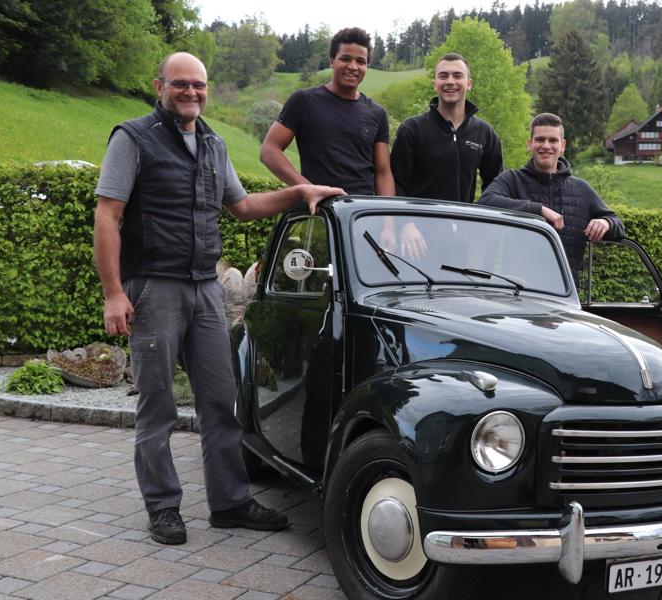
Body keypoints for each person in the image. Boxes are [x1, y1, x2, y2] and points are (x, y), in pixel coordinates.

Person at [93, 52, 344, 546]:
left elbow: (244, 206)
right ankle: (163, 506)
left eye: (199, 85)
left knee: (222, 401)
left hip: (205, 287)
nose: (191, 93)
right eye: (181, 84)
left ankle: (229, 502)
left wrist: (299, 192)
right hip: (154, 285)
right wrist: (114, 293)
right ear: (159, 85)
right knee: (158, 404)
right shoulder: (132, 138)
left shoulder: (213, 143)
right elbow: (107, 215)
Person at [479, 112, 624, 287]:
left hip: (566, 298)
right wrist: (538, 210)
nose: (546, 146)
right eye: (540, 139)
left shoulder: (582, 189)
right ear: (529, 144)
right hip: (517, 294)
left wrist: (606, 223)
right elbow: (486, 202)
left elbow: (618, 225)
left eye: (553, 140)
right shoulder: (511, 180)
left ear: (562, 145)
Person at [260, 27, 393, 197]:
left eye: (360, 61)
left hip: (362, 213)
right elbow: (269, 150)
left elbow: (383, 173)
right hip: (319, 213)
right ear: (332, 61)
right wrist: (309, 189)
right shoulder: (303, 101)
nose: (353, 66)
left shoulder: (377, 113)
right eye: (345, 58)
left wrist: (389, 221)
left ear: (367, 65)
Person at [390, 53, 503, 203]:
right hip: (418, 224)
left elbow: (496, 187)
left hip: (464, 225)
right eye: (443, 76)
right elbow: (396, 183)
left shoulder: (485, 133)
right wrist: (406, 223)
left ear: (469, 83)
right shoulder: (412, 129)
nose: (450, 81)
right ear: (434, 84)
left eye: (457, 76)